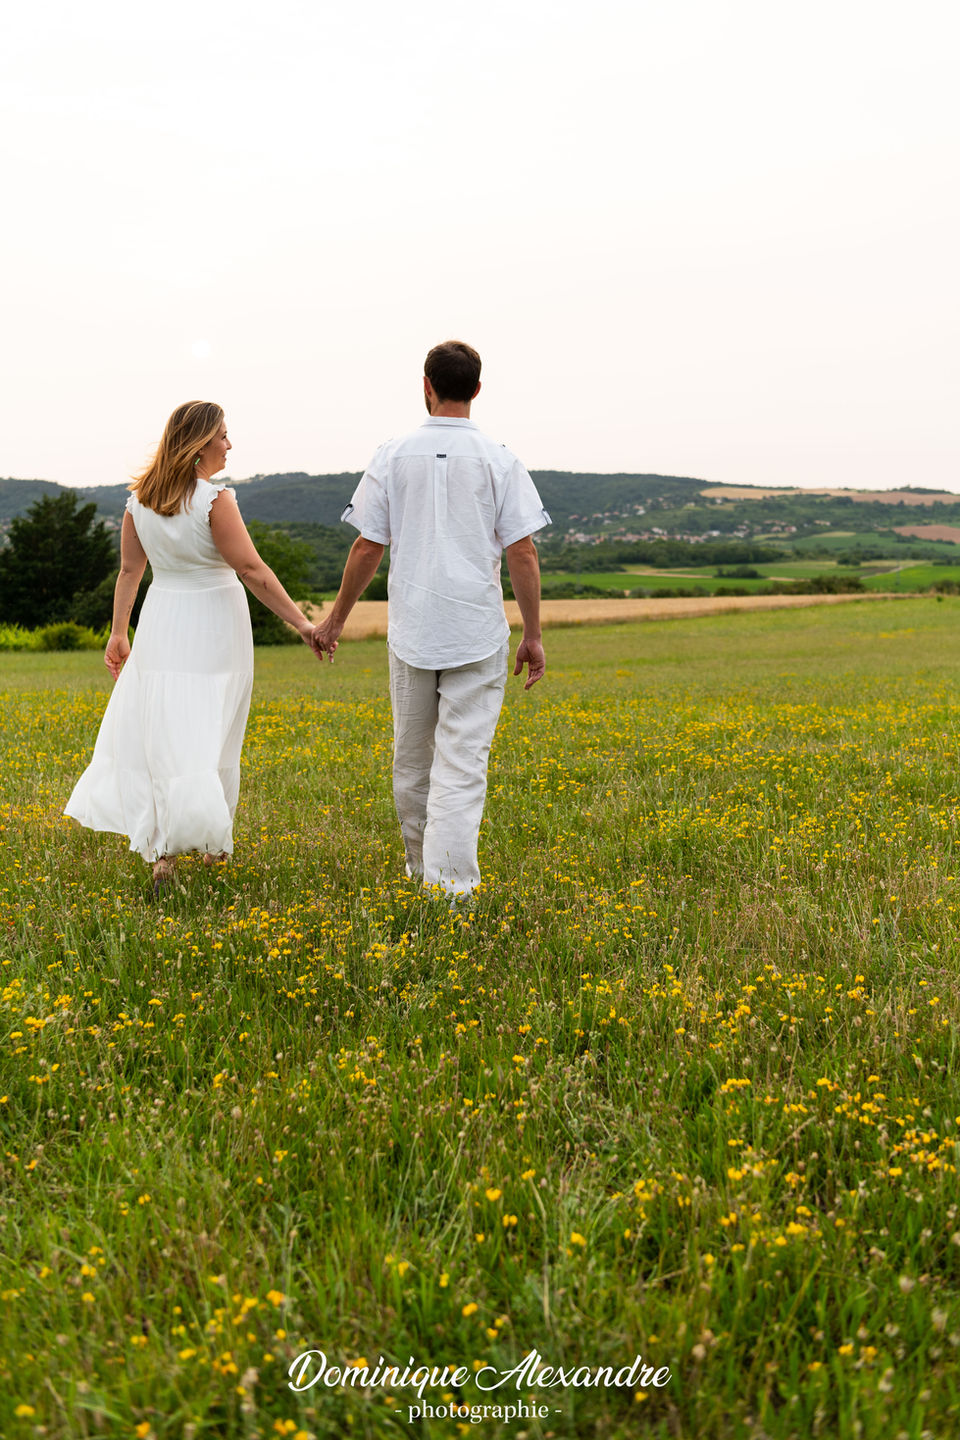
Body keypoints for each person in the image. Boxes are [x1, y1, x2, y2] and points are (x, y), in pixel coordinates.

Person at [313, 340, 550, 900]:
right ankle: (451, 890)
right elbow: (523, 553)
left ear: (426, 385)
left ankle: (421, 874)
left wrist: (335, 621)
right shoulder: (499, 458)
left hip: (413, 630)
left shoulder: (391, 454)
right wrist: (533, 635)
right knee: (462, 763)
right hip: (477, 630)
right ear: (477, 388)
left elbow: (368, 547)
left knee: (412, 759)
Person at [65, 401, 322, 894]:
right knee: (214, 726)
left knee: (168, 729)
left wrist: (120, 632)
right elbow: (252, 571)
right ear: (201, 443)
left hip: (163, 619)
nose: (229, 444)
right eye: (223, 435)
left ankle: (164, 851)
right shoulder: (214, 499)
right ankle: (211, 844)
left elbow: (129, 572)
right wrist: (303, 625)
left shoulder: (139, 500)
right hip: (213, 625)